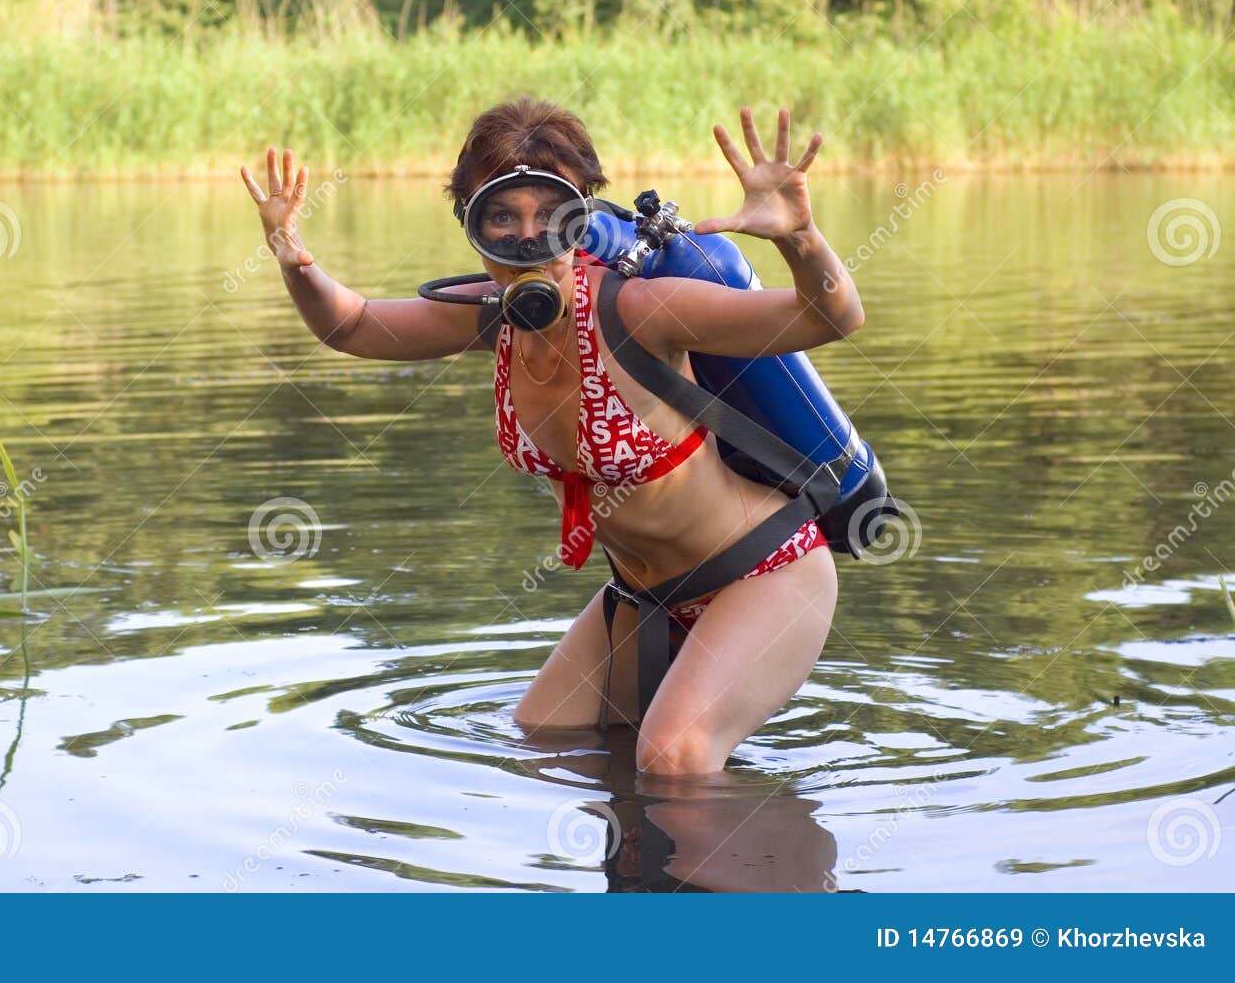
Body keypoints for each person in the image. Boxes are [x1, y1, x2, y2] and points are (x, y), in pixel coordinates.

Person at [239, 97, 864, 776]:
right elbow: (351, 326)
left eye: (550, 213)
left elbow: (829, 316)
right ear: (470, 222)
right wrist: (294, 261)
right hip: (643, 593)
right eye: (501, 215)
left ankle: (771, 875)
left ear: (583, 216)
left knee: (673, 758)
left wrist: (798, 236)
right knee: (543, 745)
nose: (525, 236)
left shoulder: (641, 310)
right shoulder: (489, 317)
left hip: (763, 571)